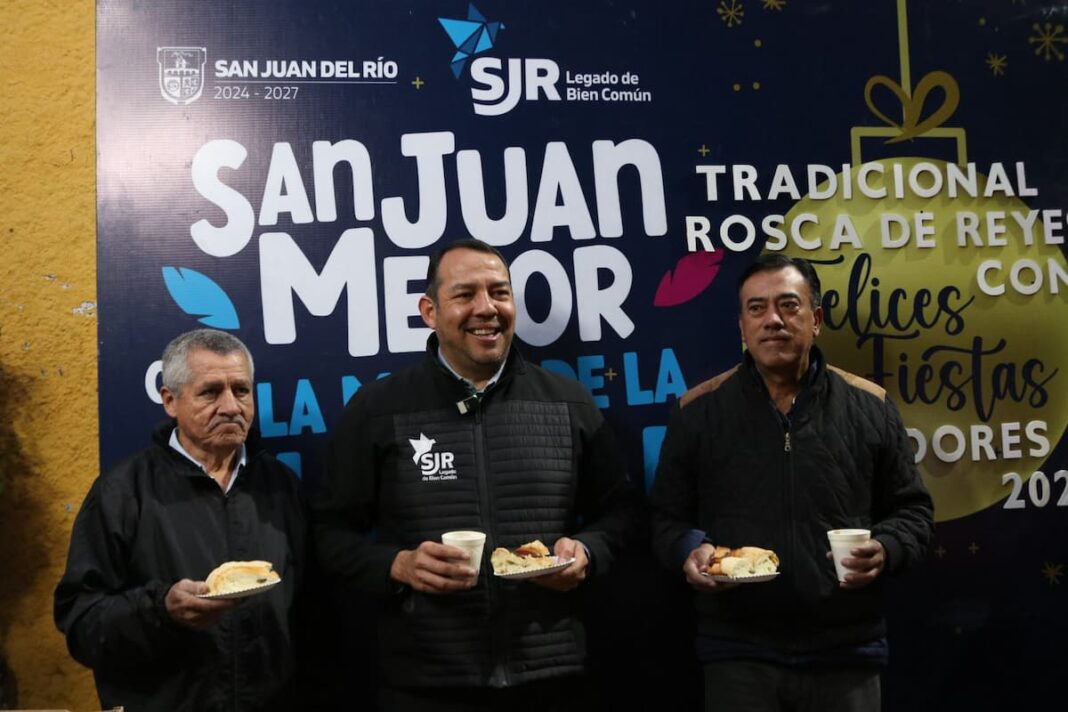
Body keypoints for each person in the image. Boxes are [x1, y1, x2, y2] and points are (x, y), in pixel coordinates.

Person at [313, 238, 642, 711]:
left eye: (500, 293)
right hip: (425, 680)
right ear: (430, 311)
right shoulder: (377, 409)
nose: (486, 308)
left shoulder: (568, 401)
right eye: (466, 295)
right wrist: (396, 566)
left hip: (551, 674)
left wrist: (589, 550)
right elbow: (328, 533)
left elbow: (623, 510)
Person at [650, 254, 934, 711]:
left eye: (789, 305)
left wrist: (886, 549)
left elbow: (913, 512)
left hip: (846, 651)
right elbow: (664, 517)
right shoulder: (697, 411)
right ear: (741, 327)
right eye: (757, 309)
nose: (774, 321)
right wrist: (690, 550)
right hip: (738, 654)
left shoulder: (871, 406)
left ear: (816, 319)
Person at [54, 329, 306, 712]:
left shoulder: (281, 487)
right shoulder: (122, 492)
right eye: (210, 392)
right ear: (170, 400)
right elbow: (81, 623)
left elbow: (312, 612)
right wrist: (161, 612)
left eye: (241, 390)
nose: (231, 406)